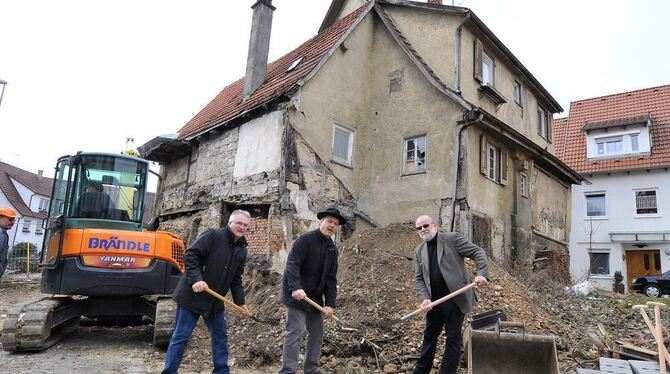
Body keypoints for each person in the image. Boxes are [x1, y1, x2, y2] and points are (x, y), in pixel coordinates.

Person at [162, 209, 251, 374]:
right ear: (230, 222)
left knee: (220, 337)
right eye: (239, 223)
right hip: (192, 296)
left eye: (245, 225)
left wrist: (241, 302)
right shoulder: (213, 235)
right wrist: (196, 279)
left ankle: (221, 371)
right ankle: (169, 371)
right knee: (181, 336)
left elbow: (236, 279)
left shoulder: (242, 249)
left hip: (214, 301)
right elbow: (190, 255)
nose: (242, 227)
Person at [412, 215, 489, 374]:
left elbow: (477, 252)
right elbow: (419, 278)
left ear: (434, 226)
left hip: (455, 298)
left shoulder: (451, 239)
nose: (423, 229)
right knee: (429, 337)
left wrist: (482, 273)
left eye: (425, 225)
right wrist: (425, 298)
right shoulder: (419, 251)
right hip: (434, 302)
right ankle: (420, 371)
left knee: (453, 339)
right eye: (419, 228)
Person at [278, 207, 345, 374]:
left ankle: (311, 369)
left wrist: (330, 304)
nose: (332, 225)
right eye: (330, 221)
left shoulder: (332, 249)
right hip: (297, 295)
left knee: (316, 334)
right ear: (321, 221)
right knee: (295, 331)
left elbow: (331, 278)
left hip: (314, 298)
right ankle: (287, 371)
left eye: (335, 224)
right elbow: (292, 264)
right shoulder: (306, 240)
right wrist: (295, 287)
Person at [0, 208, 17, 281]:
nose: (13, 222)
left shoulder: (3, 233)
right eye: (10, 219)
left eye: (13, 219)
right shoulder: (1, 234)